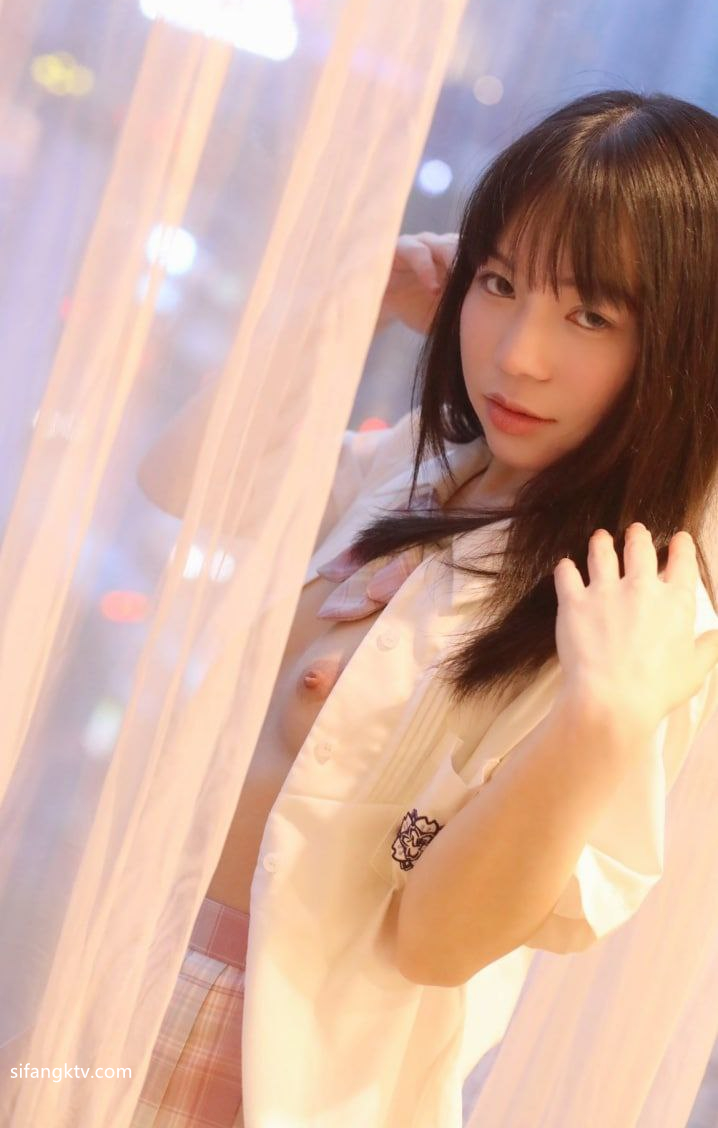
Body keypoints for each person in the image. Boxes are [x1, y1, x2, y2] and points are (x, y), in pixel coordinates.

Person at [132, 88, 718, 1127]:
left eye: (591, 314)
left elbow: (437, 941)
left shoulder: (632, 617)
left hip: (283, 1066)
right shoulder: (422, 471)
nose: (516, 352)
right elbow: (182, 476)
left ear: (681, 348)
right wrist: (352, 300)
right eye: (500, 282)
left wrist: (602, 719)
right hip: (139, 953)